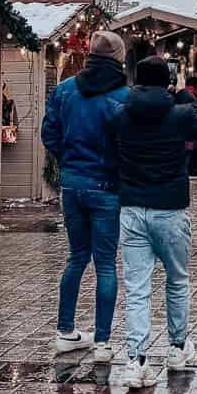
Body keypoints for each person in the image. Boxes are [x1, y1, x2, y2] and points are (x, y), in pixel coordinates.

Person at [114, 56, 197, 388]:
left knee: (137, 289)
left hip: (132, 208)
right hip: (170, 208)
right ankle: (177, 347)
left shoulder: (122, 114)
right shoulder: (179, 113)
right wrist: (184, 95)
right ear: (167, 80)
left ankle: (136, 361)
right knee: (177, 280)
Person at [40, 30, 129, 363]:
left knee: (77, 257)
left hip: (72, 185)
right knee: (105, 263)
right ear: (118, 59)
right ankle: (103, 341)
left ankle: (66, 331)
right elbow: (127, 142)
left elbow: (49, 132)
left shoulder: (65, 90)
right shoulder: (122, 95)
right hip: (106, 185)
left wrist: (68, 159)